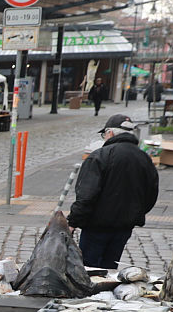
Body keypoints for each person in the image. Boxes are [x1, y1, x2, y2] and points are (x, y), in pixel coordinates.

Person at [68, 114, 159, 269]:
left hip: (96, 226)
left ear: (110, 133)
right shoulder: (144, 158)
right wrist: (134, 214)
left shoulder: (100, 156)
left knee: (88, 269)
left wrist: (72, 222)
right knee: (110, 269)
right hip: (124, 227)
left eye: (104, 134)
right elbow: (151, 194)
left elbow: (86, 195)